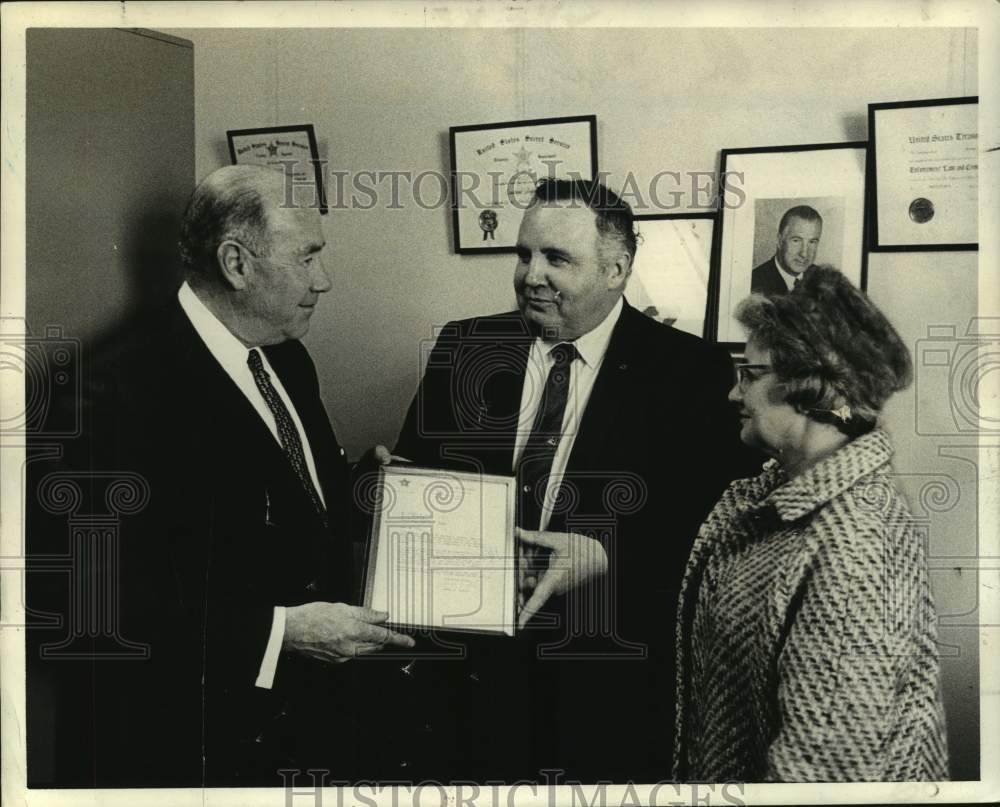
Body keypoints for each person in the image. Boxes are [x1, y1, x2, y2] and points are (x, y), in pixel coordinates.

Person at [31, 164, 413, 786]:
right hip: (184, 742)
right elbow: (82, 603)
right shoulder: (108, 392)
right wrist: (280, 630)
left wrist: (362, 490)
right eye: (308, 257)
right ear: (237, 265)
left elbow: (267, 496)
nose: (325, 280)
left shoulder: (285, 354)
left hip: (301, 722)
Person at [388, 177, 756, 782]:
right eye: (524, 253)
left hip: (603, 681)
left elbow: (715, 536)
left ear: (617, 268)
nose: (531, 274)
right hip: (468, 679)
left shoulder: (689, 371)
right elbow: (420, 481)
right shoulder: (465, 346)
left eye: (557, 258)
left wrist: (607, 557)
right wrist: (392, 487)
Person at [673, 265, 949, 782]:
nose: (735, 394)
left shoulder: (857, 544)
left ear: (808, 381)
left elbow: (824, 777)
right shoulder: (781, 495)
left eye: (750, 376)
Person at [751, 205, 823, 296]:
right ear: (780, 241)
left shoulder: (824, 281)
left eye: (812, 242)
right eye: (796, 241)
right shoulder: (753, 284)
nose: (804, 254)